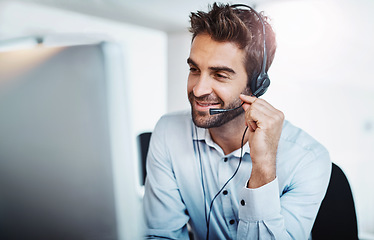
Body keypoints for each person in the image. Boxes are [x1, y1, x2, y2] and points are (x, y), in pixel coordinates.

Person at [143, 3, 331, 239]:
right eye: (194, 69)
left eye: (220, 75)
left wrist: (263, 168)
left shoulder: (307, 159)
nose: (198, 89)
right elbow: (161, 235)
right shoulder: (169, 132)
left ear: (257, 84)